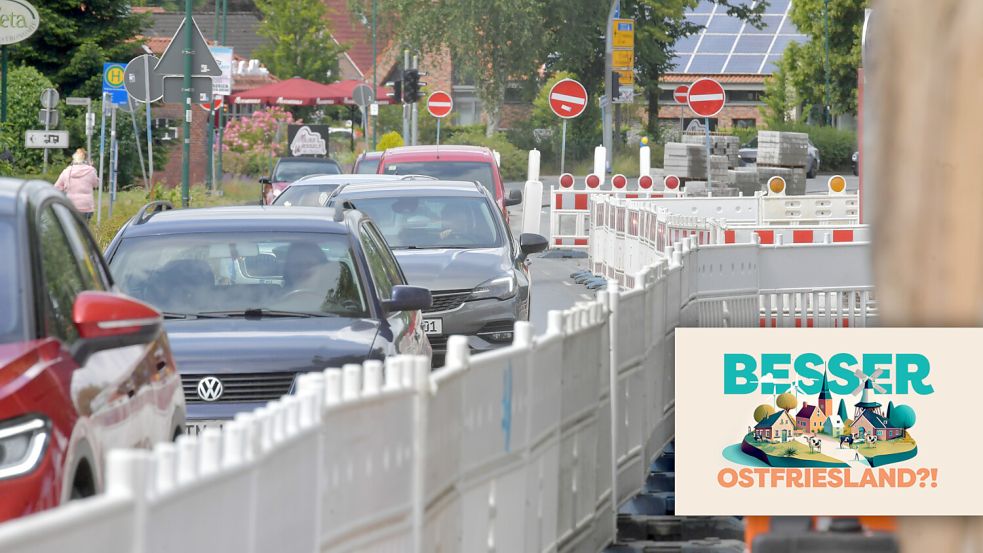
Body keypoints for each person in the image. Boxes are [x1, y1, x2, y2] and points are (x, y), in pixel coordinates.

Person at [54, 148, 98, 221]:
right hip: (86, 206)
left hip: (70, 205)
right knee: (84, 229)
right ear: (87, 159)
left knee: (72, 229)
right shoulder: (91, 171)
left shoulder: (67, 171)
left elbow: (57, 187)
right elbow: (95, 184)